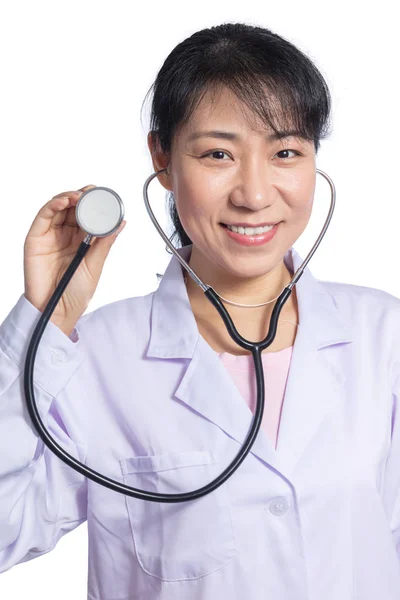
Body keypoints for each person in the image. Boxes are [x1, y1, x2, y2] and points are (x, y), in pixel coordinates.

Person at [1, 21, 400, 600]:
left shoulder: (384, 337)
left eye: (286, 151)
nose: (255, 194)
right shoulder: (94, 359)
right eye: (218, 154)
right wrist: (41, 326)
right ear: (162, 159)